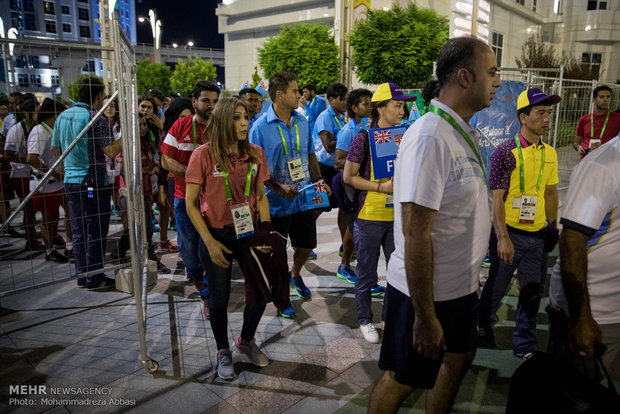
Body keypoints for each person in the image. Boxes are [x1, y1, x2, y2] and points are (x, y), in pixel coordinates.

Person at [368, 37, 501, 414]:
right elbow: (415, 232)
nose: (498, 82)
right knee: (404, 378)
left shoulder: (461, 131)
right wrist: (425, 318)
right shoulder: (429, 137)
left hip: (457, 289)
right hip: (423, 295)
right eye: (491, 73)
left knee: (459, 357)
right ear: (464, 77)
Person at [186, 97, 272, 380]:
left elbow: (260, 195)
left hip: (249, 232)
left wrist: (267, 232)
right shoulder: (203, 154)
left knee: (260, 292)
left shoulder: (256, 153)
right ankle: (223, 351)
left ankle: (245, 343)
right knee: (220, 298)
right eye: (237, 117)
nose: (245, 122)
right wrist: (208, 242)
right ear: (223, 120)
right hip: (216, 233)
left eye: (246, 116)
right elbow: (190, 204)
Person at [478, 88, 560, 360]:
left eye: (549, 113)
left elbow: (550, 192)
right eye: (541, 113)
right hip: (509, 235)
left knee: (532, 292)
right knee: (496, 288)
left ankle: (524, 344)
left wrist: (552, 225)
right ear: (524, 118)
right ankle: (482, 327)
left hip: (537, 236)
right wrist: (502, 237)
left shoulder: (550, 152)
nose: (547, 118)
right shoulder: (506, 152)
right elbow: (497, 199)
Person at [249, 71, 330, 318]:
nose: (300, 95)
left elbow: (310, 154)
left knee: (306, 245)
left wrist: (318, 180)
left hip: (303, 197)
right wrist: (277, 187)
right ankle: (282, 299)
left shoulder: (303, 121)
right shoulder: (260, 128)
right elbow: (255, 168)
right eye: (295, 91)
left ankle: (294, 275)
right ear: (280, 94)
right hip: (274, 203)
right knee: (277, 253)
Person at [343, 83, 414, 344]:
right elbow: (348, 177)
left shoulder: (405, 136)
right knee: (366, 273)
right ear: (380, 108)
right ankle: (365, 320)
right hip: (369, 215)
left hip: (397, 216)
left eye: (403, 105)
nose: (402, 110)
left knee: (397, 271)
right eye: (397, 105)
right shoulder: (363, 137)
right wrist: (380, 187)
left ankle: (389, 316)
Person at [548, 134, 620, 380]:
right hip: (599, 313)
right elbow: (571, 241)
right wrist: (582, 318)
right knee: (580, 395)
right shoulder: (602, 165)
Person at [52, 76, 123, 289]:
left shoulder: (62, 116)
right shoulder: (96, 118)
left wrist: (69, 167)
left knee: (79, 229)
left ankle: (83, 275)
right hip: (91, 183)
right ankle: (95, 277)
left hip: (70, 181)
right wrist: (125, 137)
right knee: (96, 228)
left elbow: (55, 149)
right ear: (99, 96)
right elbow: (110, 151)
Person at [161, 81, 220, 317]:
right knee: (189, 250)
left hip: (216, 201)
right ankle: (201, 285)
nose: (211, 106)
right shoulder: (180, 126)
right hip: (185, 198)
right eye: (206, 100)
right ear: (194, 102)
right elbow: (166, 160)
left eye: (215, 101)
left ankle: (210, 295)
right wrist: (193, 174)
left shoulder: (221, 127)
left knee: (212, 248)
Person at [27, 98, 72, 262]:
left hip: (59, 182)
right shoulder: (39, 131)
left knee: (67, 213)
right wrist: (52, 173)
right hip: (45, 184)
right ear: (53, 115)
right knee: (48, 218)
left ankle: (69, 245)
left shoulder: (52, 130)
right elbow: (31, 158)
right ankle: (49, 250)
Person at [312, 82, 350, 270]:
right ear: (332, 99)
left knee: (343, 208)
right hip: (323, 169)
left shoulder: (341, 117)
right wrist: (349, 140)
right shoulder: (325, 117)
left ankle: (346, 244)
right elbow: (328, 145)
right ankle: (303, 241)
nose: (345, 103)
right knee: (319, 207)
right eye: (342, 99)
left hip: (338, 168)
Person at [4, 93, 45, 250]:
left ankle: (36, 236)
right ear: (27, 112)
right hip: (20, 174)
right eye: (36, 111)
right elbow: (8, 154)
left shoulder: (35, 127)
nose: (38, 114)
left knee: (34, 208)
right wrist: (26, 160)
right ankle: (31, 239)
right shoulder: (15, 130)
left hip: (31, 173)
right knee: (28, 208)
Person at [573, 85, 620, 158]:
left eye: (608, 97)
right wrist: (579, 147)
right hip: (587, 162)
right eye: (602, 97)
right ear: (594, 100)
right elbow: (576, 142)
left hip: (608, 163)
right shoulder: (584, 119)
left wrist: (604, 147)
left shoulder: (617, 118)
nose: (606, 100)